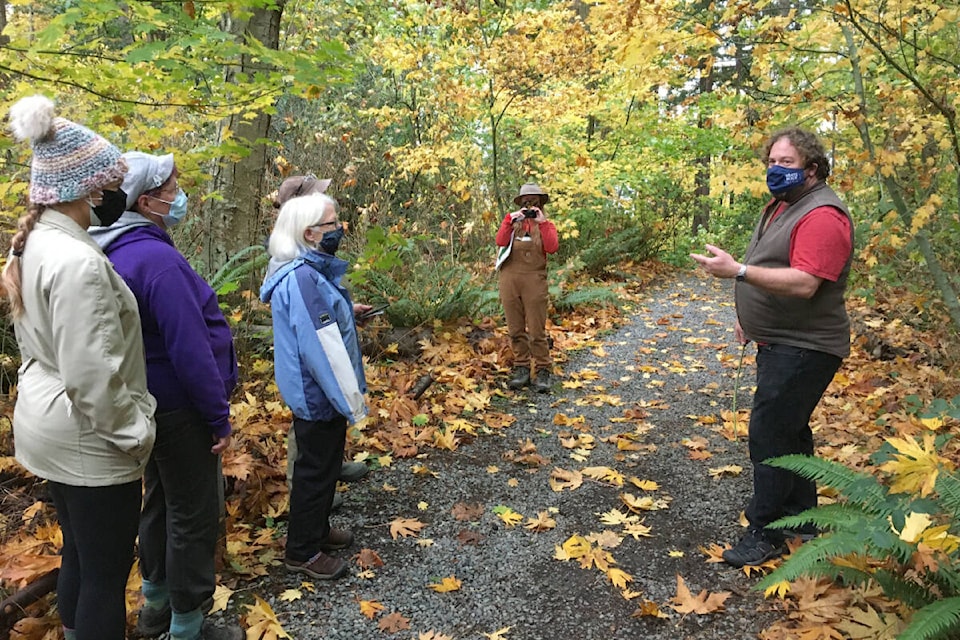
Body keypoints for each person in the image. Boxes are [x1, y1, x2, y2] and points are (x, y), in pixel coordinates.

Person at [3, 95, 156, 640]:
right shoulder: (78, 263)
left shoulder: (35, 244)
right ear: (90, 189)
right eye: (112, 181)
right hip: (89, 439)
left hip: (49, 425)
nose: (118, 192)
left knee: (81, 556)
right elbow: (91, 375)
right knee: (105, 575)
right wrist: (136, 434)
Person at [88, 152, 242, 640]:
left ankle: (154, 605)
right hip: (180, 407)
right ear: (147, 200)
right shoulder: (156, 260)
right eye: (172, 189)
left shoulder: (112, 248)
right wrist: (218, 417)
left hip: (144, 404)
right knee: (194, 513)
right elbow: (188, 347)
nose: (179, 197)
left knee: (158, 500)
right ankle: (188, 625)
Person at [690, 126, 854, 568]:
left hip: (806, 347)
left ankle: (766, 532)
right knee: (791, 432)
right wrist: (750, 319)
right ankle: (802, 519)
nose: (776, 170)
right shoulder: (784, 205)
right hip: (780, 340)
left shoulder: (823, 215)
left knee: (770, 436)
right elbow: (772, 267)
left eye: (787, 163)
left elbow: (804, 282)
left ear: (812, 169)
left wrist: (737, 271)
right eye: (772, 162)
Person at [259, 193, 368, 580]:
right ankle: (301, 551)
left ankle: (317, 532)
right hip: (317, 392)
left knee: (323, 466)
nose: (339, 229)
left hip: (317, 390)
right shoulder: (302, 277)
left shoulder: (307, 270)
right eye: (332, 223)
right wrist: (350, 402)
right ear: (309, 233)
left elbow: (324, 321)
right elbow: (322, 348)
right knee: (315, 472)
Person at [272, 174, 370, 494]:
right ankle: (307, 499)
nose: (336, 225)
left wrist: (344, 311)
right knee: (308, 443)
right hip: (308, 383)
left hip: (317, 381)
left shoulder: (307, 257)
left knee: (322, 440)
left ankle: (327, 476)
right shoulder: (292, 259)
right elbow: (305, 317)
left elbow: (319, 302)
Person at [496, 182, 560, 393]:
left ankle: (543, 370)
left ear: (541, 204)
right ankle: (521, 368)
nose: (530, 206)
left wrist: (542, 223)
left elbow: (552, 248)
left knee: (536, 329)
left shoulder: (546, 225)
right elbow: (500, 241)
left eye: (534, 202)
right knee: (515, 328)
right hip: (509, 278)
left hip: (534, 279)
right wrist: (510, 220)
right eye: (526, 202)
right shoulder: (512, 222)